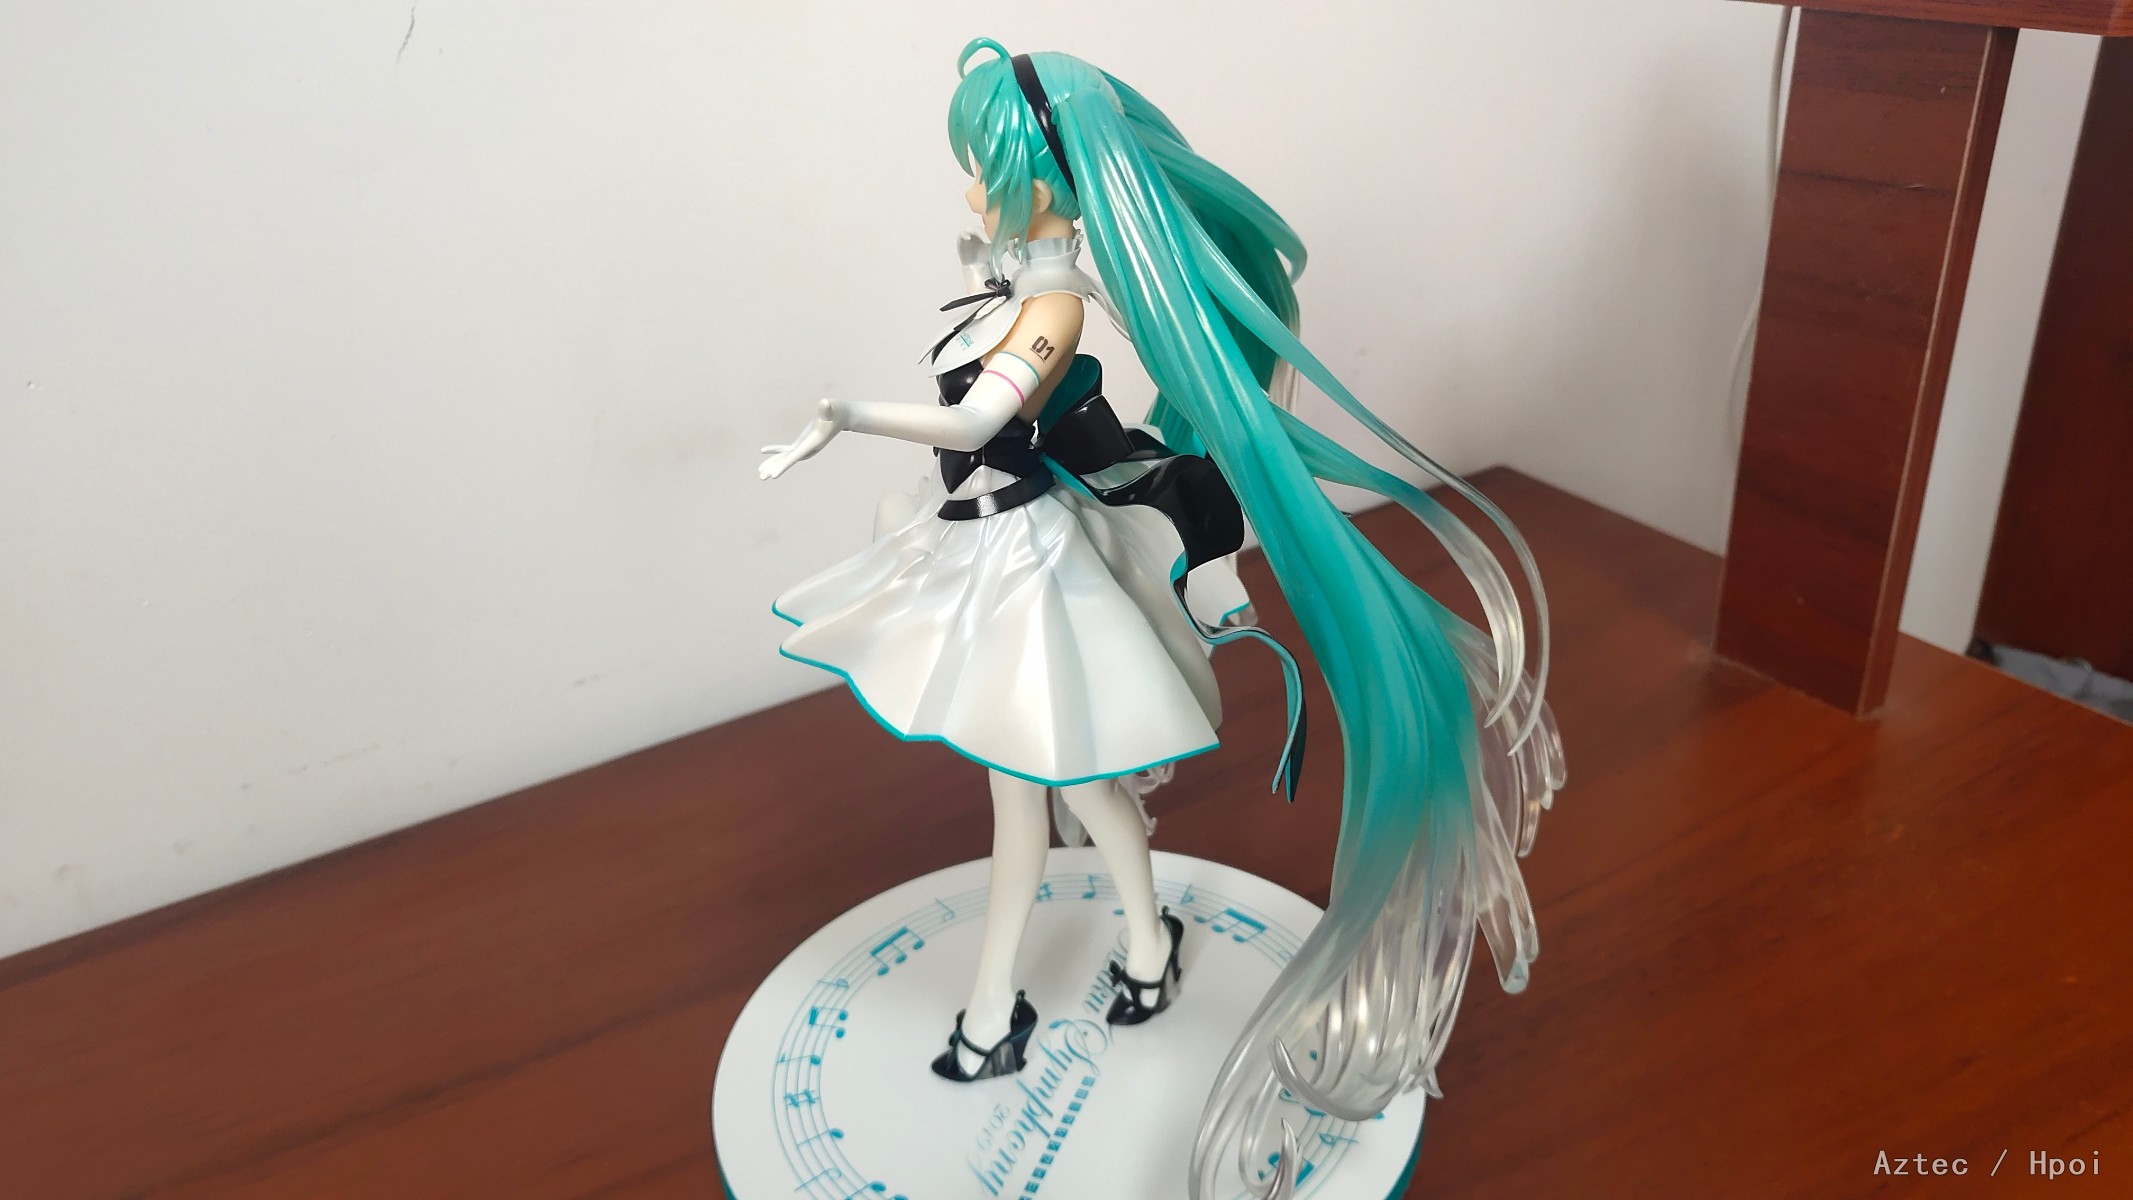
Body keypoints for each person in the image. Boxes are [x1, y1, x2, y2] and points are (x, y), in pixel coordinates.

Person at [759, 39, 1564, 1199]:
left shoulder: (1051, 308)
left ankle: (1000, 1008)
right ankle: (1137, 950)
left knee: (1032, 801)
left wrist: (845, 414)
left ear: (1037, 175)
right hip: (981, 552)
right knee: (1061, 793)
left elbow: (977, 422)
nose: (971, 188)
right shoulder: (1011, 285)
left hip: (1029, 572)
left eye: (984, 165)